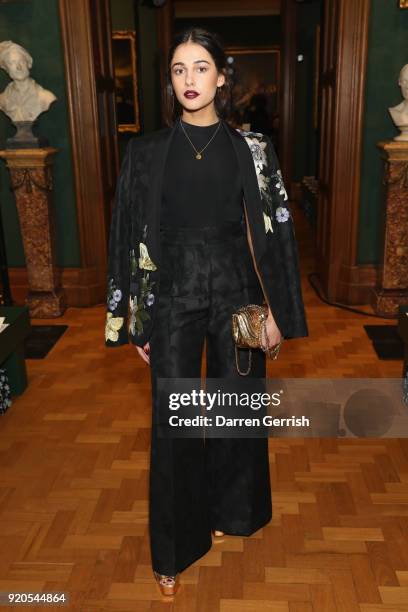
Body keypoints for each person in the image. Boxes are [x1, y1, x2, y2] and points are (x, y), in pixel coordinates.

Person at [105, 27, 308, 597]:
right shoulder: (144, 153)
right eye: (177, 70)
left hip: (240, 288)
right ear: (170, 83)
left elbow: (279, 234)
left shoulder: (255, 150)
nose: (188, 80)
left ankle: (233, 511)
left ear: (221, 77)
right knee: (173, 419)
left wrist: (275, 312)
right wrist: (137, 321)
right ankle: (172, 550)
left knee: (236, 402)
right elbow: (126, 235)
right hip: (172, 291)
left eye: (200, 68)